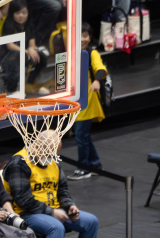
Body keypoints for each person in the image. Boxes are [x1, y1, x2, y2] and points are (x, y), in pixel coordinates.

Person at [3, 130, 99, 238]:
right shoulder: (19, 163)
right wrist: (52, 212)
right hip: (27, 213)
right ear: (37, 146)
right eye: (48, 155)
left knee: (91, 222)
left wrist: (69, 205)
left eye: (54, 155)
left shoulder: (53, 160)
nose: (51, 158)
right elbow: (22, 199)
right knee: (55, 227)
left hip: (54, 210)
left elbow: (62, 190)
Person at [70, 24, 108, 179]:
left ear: (90, 37)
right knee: (83, 135)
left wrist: (97, 80)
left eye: (85, 35)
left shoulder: (92, 53)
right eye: (79, 35)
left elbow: (100, 68)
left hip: (88, 100)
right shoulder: (71, 53)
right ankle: (95, 163)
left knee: (80, 134)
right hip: (75, 100)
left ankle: (83, 168)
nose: (82, 39)